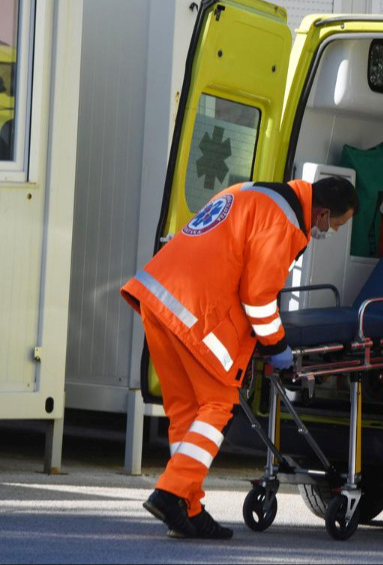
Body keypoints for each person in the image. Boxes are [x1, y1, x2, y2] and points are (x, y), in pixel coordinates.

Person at [120, 176, 358, 539]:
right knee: (218, 405)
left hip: (160, 297)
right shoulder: (284, 222)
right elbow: (258, 298)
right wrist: (277, 347)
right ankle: (170, 494)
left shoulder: (253, 192)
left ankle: (187, 507)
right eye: (337, 224)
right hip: (195, 311)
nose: (332, 230)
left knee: (188, 411)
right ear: (323, 214)